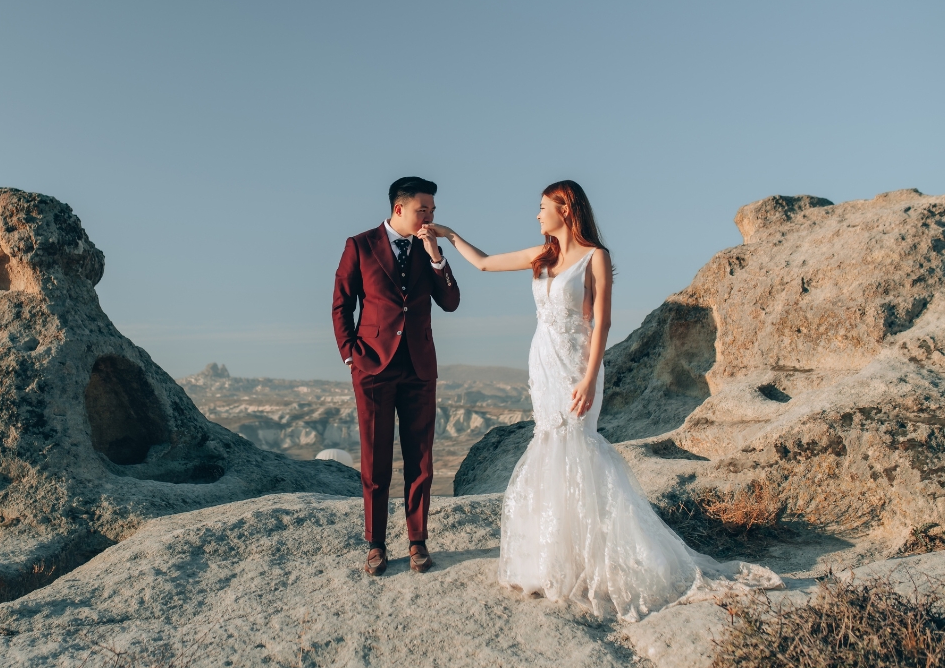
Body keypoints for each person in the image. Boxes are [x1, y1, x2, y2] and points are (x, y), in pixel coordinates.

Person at [425, 180, 780, 620]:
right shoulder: (543, 256)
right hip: (544, 363)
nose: (537, 216)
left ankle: (595, 558)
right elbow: (482, 264)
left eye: (542, 208)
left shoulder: (596, 257)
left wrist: (591, 379)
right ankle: (553, 559)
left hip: (577, 365)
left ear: (566, 209)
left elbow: (603, 325)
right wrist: (448, 235)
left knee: (578, 446)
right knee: (549, 444)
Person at [332, 177, 461, 576]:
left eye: (434, 211)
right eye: (424, 211)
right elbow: (341, 304)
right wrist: (350, 355)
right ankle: (376, 543)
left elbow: (451, 302)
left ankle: (417, 541)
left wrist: (436, 253)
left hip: (420, 367)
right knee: (376, 460)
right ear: (399, 209)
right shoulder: (360, 245)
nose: (431, 218)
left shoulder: (428, 248)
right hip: (372, 367)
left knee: (420, 458)